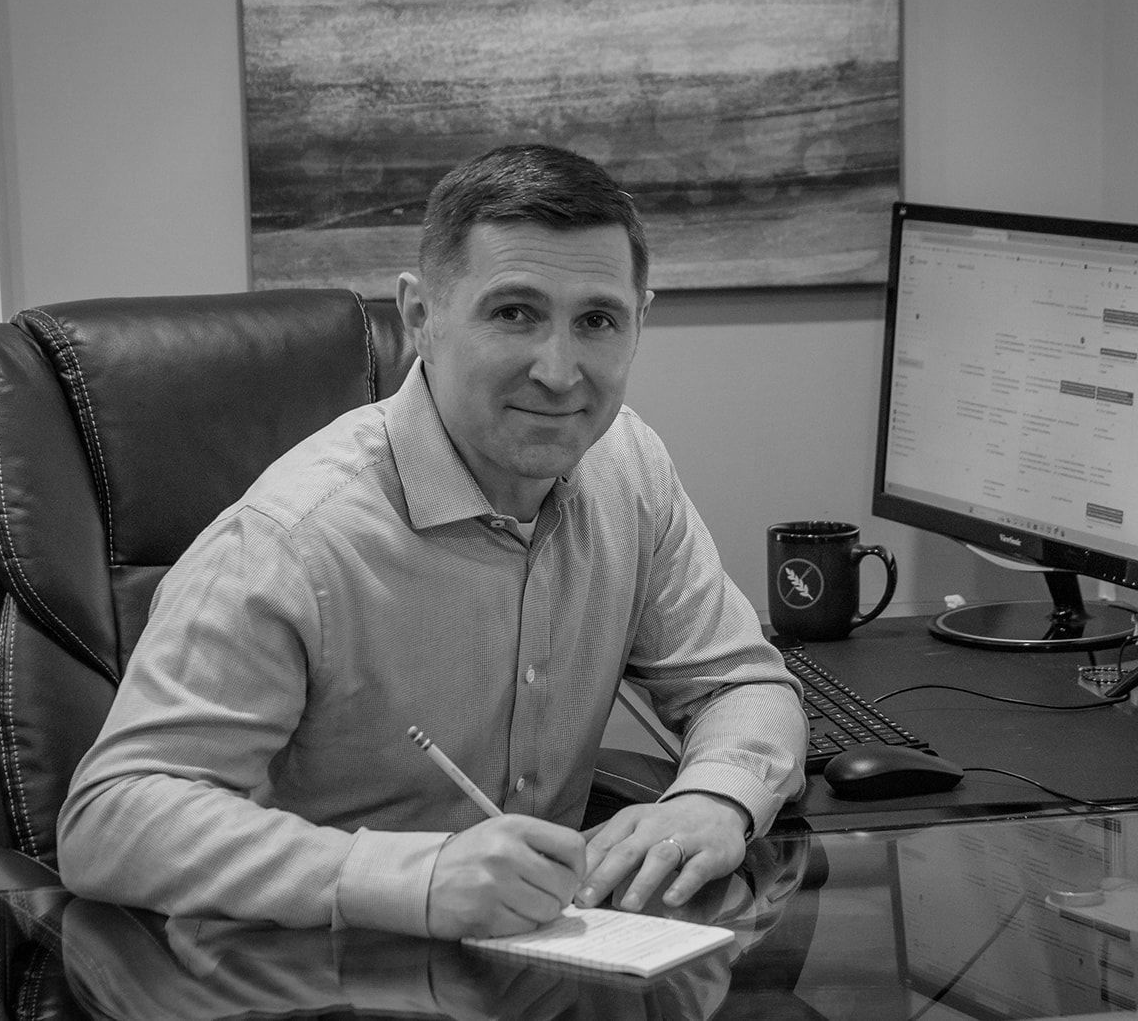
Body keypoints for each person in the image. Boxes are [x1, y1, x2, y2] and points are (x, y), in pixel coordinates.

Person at [57, 143, 807, 940]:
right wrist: (411, 880)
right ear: (421, 316)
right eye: (514, 312)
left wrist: (714, 797)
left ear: (638, 322)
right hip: (314, 976)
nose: (560, 371)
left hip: (551, 968)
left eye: (597, 320)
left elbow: (738, 683)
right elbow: (111, 818)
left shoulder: (629, 469)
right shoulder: (294, 541)